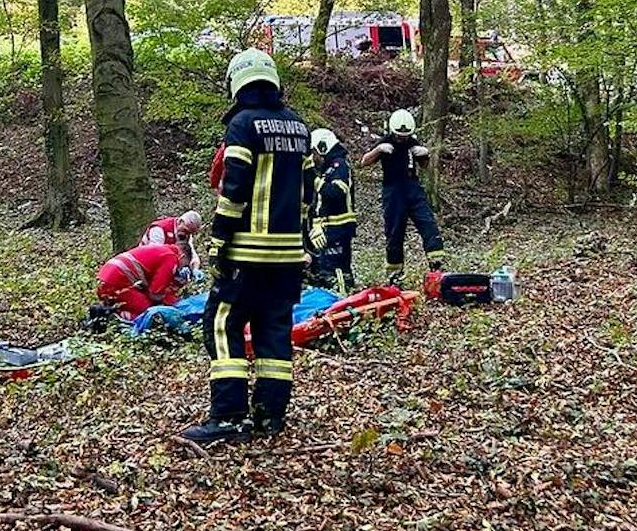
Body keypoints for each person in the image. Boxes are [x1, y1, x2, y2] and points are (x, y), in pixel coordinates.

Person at [181, 49, 314, 446]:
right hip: (287, 255)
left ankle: (228, 416)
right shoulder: (299, 127)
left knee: (223, 324)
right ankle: (271, 416)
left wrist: (219, 241)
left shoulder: (242, 125)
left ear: (236, 83)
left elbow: (234, 188)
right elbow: (306, 196)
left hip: (246, 253)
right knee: (275, 331)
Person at [360, 109, 444, 284]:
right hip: (393, 192)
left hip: (413, 189)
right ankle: (395, 276)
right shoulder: (386, 142)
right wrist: (378, 150)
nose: (402, 139)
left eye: (405, 136)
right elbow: (364, 162)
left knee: (428, 225)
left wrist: (425, 154)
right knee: (395, 233)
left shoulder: (412, 142)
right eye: (399, 136)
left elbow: (424, 165)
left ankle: (437, 267)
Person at [308, 128, 356, 294]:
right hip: (327, 229)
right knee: (324, 269)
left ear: (322, 147)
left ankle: (342, 300)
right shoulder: (326, 169)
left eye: (314, 152)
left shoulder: (339, 166)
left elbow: (335, 193)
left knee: (336, 271)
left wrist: (314, 181)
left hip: (339, 228)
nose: (313, 157)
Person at [96, 242, 191, 318]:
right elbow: (155, 292)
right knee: (148, 313)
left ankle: (109, 309)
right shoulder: (171, 258)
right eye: (183, 265)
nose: (180, 268)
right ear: (182, 257)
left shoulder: (162, 250)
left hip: (105, 276)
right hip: (116, 282)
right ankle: (111, 316)